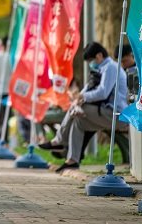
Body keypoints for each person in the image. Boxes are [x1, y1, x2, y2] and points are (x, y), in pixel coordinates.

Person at [39, 42, 128, 172]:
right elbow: (87, 89)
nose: (91, 63)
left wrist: (83, 98)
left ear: (99, 55)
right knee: (78, 122)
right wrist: (79, 98)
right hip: (105, 113)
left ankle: (59, 141)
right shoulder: (100, 69)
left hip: (116, 115)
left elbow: (103, 92)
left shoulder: (111, 67)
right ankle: (72, 160)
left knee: (76, 110)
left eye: (91, 60)